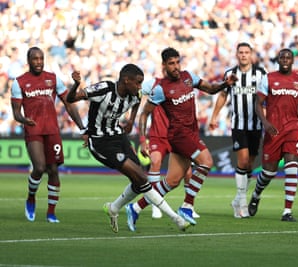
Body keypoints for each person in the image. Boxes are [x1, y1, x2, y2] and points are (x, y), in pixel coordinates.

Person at [66, 64, 189, 233]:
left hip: (119, 137)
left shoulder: (134, 94)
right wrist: (75, 85)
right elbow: (71, 98)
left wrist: (131, 120)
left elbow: (137, 102)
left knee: (138, 183)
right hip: (101, 143)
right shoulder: (104, 89)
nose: (140, 87)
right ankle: (176, 218)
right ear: (126, 80)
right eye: (137, 83)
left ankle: (114, 208)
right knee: (141, 177)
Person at [128, 47, 237, 229]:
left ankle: (136, 208)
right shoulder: (161, 88)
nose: (176, 66)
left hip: (191, 133)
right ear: (164, 66)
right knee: (207, 161)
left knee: (172, 181)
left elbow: (210, 89)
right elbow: (144, 114)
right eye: (171, 64)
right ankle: (187, 205)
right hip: (179, 135)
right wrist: (142, 139)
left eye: (178, 62)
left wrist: (225, 83)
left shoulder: (188, 77)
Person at [10, 47, 85, 223]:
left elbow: (69, 103)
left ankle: (51, 212)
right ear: (28, 61)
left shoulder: (53, 79)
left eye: (41, 58)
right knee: (39, 168)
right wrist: (23, 119)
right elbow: (16, 112)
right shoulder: (19, 82)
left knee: (53, 171)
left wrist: (82, 127)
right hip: (33, 129)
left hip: (52, 130)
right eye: (35, 59)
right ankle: (31, 197)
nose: (38, 62)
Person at [247, 48, 298, 222]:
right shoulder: (268, 79)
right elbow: (258, 104)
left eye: (288, 57)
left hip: (293, 129)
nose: (285, 60)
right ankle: (256, 194)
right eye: (282, 57)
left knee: (292, 166)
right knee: (269, 172)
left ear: (293, 61)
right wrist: (265, 123)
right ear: (278, 60)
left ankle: (287, 211)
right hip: (273, 131)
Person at [126, 78, 198, 226]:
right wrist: (142, 139)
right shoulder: (153, 84)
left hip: (176, 136)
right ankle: (154, 205)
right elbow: (136, 94)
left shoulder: (182, 85)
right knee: (155, 162)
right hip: (157, 136)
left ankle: (189, 205)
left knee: (188, 172)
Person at [209, 42, 267, 218]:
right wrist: (214, 116)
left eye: (246, 52)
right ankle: (241, 203)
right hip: (238, 125)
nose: (243, 55)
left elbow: (268, 97)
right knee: (242, 162)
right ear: (237, 55)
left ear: (251, 55)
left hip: (256, 126)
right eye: (240, 52)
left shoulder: (261, 74)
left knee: (249, 164)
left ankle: (237, 199)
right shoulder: (230, 74)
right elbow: (223, 95)